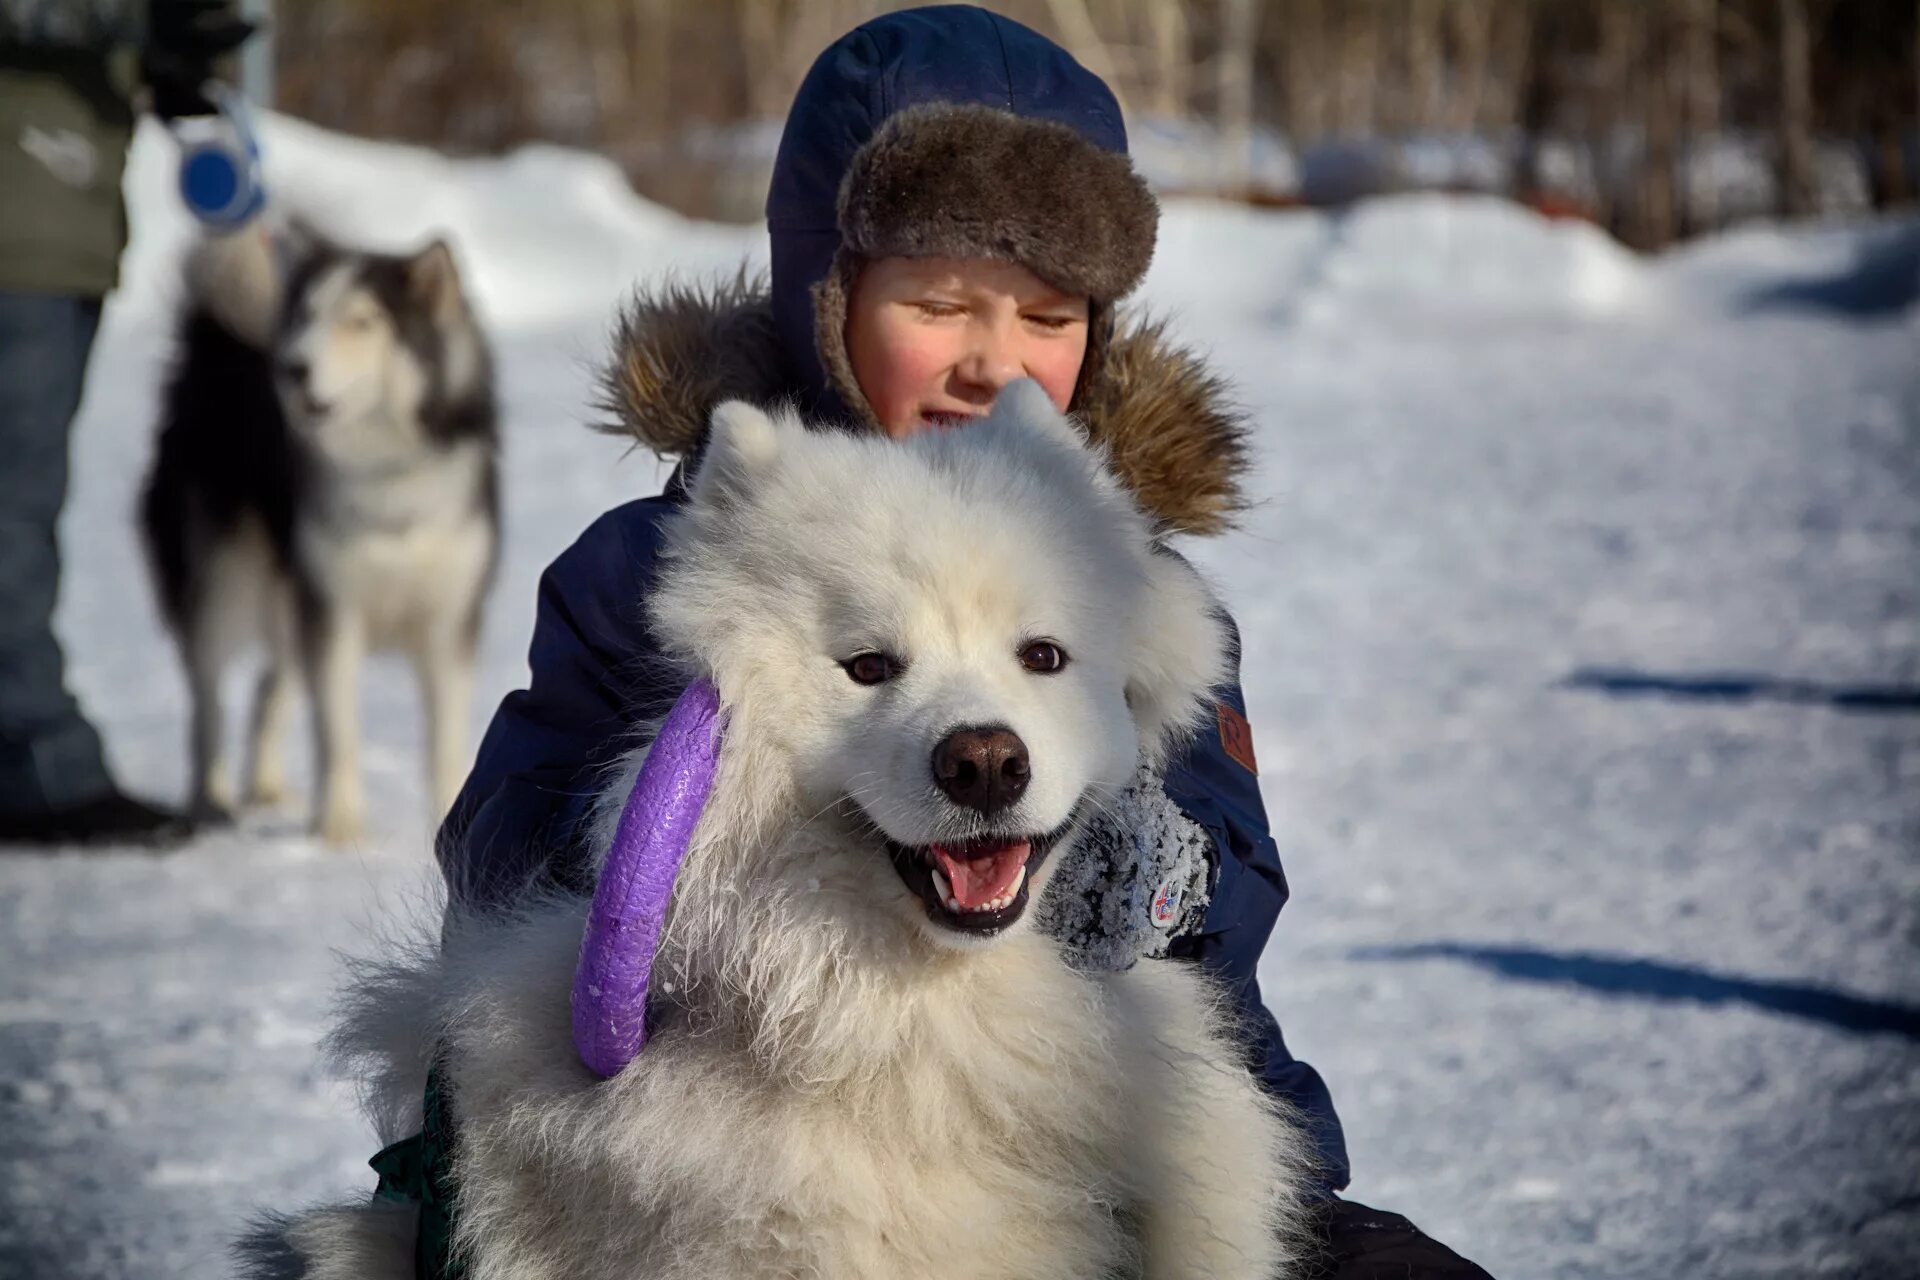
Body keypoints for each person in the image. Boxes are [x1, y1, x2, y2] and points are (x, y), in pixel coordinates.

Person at [437, 7, 1491, 1276]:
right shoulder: (655, 569)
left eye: (1049, 317)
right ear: (829, 300)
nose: (996, 365)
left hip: (1103, 1126)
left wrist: (1157, 870)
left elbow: (1228, 917)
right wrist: (682, 874)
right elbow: (504, 852)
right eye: (940, 303)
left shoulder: (1130, 583)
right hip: (735, 1134)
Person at [0, 0, 252, 845]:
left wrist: (165, 62)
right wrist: (139, 22)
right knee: (12, 495)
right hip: (21, 206)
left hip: (60, 203)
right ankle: (32, 758)